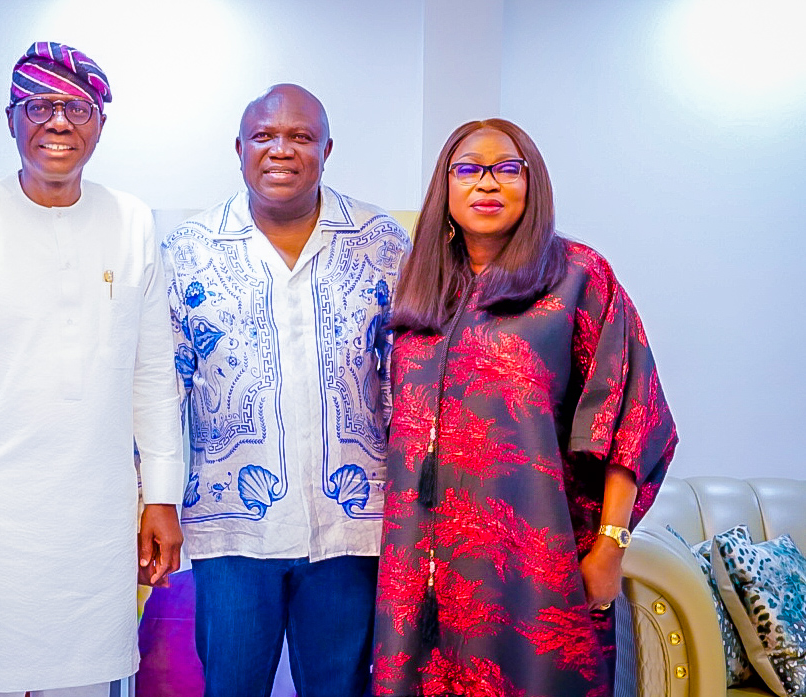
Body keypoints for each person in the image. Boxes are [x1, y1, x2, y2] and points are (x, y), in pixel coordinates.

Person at [0, 41, 184, 697]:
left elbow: (153, 375)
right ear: (10, 118)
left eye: (77, 107)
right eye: (40, 105)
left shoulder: (133, 221)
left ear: (101, 123)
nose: (58, 123)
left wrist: (160, 494)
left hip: (97, 523)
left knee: (94, 680)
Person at [371, 119, 677, 697]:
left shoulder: (579, 277)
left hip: (533, 565)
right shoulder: (423, 284)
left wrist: (610, 546)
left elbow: (632, 417)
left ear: (531, 183)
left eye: (507, 168)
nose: (488, 183)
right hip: (419, 566)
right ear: (446, 186)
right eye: (469, 169)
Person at [161, 84, 411, 697]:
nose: (282, 150)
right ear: (239, 148)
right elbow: (163, 386)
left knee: (341, 688)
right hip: (230, 529)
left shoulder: (382, 243)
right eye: (265, 136)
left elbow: (406, 379)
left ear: (328, 149)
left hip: (354, 525)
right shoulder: (188, 250)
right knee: (232, 685)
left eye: (301, 136)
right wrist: (152, 500)